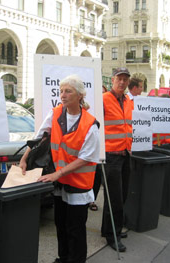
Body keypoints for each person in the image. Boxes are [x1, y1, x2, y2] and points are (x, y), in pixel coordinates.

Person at [19, 75, 100, 263]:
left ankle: (76, 260)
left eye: (68, 91)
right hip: (60, 182)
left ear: (80, 95)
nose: (62, 95)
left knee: (75, 228)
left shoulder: (90, 124)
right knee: (61, 224)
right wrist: (24, 158)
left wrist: (58, 173)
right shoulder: (55, 113)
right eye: (61, 91)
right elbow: (38, 137)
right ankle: (63, 258)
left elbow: (86, 158)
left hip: (78, 185)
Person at [101, 67, 132, 252]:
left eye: (125, 79)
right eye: (119, 79)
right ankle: (113, 235)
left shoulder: (128, 101)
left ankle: (109, 228)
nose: (122, 82)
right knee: (115, 199)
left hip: (126, 154)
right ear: (112, 80)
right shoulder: (104, 100)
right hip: (110, 156)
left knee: (122, 195)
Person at [89, 85, 108, 212]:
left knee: (97, 175)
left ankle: (92, 200)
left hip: (102, 147)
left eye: (103, 93)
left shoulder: (108, 110)